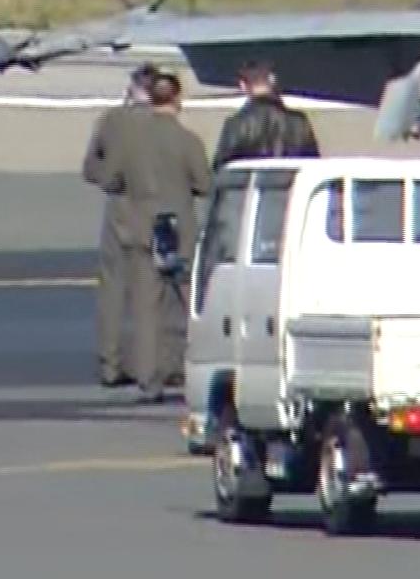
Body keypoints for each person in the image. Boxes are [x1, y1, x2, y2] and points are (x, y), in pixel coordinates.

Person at [99, 71, 211, 403]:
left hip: (142, 227)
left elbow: (109, 179)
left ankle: (149, 379)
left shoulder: (130, 140)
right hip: (179, 227)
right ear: (177, 100)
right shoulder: (188, 140)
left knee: (146, 307)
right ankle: (194, 368)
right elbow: (205, 184)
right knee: (191, 303)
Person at [80, 61, 158, 388]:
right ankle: (149, 367)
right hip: (155, 209)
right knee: (150, 294)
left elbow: (90, 168)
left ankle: (110, 363)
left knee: (113, 290)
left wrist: (111, 181)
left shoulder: (111, 120)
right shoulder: (163, 124)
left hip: (120, 209)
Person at [212, 61, 321, 169]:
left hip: (252, 184)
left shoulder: (237, 123)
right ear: (274, 83)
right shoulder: (299, 122)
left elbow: (221, 168)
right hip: (293, 184)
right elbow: (313, 164)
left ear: (243, 85)